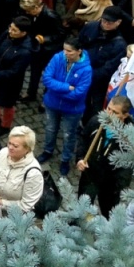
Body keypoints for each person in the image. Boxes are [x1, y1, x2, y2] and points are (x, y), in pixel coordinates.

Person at [37, 36, 93, 176]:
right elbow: (47, 79)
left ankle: (65, 159)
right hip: (52, 104)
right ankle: (48, 150)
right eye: (64, 49)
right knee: (50, 129)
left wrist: (56, 91)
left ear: (79, 51)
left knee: (69, 135)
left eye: (69, 51)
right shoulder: (58, 58)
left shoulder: (86, 69)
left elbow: (79, 93)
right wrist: (67, 87)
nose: (65, 53)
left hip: (72, 109)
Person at [76, 96, 134, 218]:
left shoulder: (131, 135)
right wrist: (80, 158)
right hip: (90, 174)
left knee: (109, 212)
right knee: (83, 208)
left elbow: (130, 163)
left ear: (125, 115)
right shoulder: (97, 121)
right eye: (109, 109)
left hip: (110, 182)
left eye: (115, 112)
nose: (109, 114)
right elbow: (83, 138)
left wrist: (119, 184)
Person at [0, 17, 34, 135]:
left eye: (14, 30)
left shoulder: (25, 51)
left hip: (9, 83)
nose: (10, 31)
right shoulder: (7, 34)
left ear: (23, 33)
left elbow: (15, 72)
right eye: (10, 27)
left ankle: (5, 126)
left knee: (7, 105)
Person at [0, 125, 44, 213]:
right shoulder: (3, 152)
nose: (10, 147)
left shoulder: (33, 173)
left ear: (27, 149)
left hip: (13, 215)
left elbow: (26, 205)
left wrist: (1, 203)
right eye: (9, 143)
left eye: (15, 146)